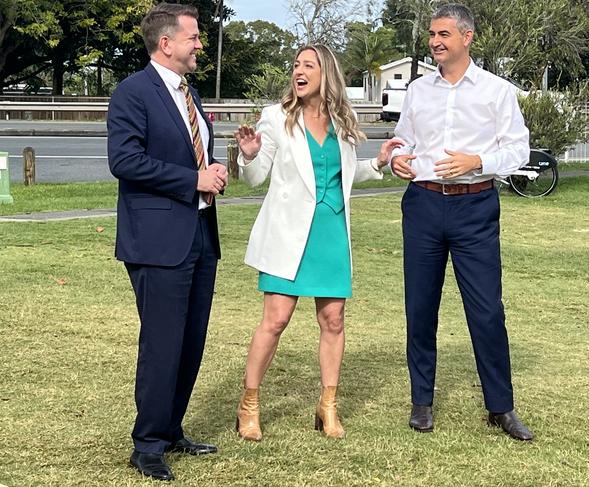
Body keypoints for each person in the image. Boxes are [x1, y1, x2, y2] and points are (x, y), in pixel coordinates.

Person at [233, 44, 403, 441]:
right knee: (274, 321)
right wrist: (249, 156)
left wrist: (376, 164)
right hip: (288, 233)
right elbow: (257, 178)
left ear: (326, 73)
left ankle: (327, 405)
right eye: (295, 65)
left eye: (308, 65)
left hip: (331, 232)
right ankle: (249, 404)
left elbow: (340, 174)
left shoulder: (344, 120)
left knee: (334, 320)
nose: (298, 71)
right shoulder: (275, 118)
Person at [390, 4, 534, 441]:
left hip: (475, 209)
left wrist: (479, 161)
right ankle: (422, 402)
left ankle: (501, 407)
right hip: (424, 205)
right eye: (432, 34)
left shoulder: (496, 91)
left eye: (444, 34)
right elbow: (404, 139)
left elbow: (519, 151)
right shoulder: (418, 90)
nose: (435, 41)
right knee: (420, 306)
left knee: (487, 311)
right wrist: (398, 158)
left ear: (466, 38)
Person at [107, 3, 228, 481]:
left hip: (199, 235)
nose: (200, 45)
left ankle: (172, 428)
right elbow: (125, 161)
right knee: (162, 343)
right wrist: (193, 179)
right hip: (157, 241)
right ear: (166, 43)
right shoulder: (133, 92)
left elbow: (191, 151)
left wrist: (213, 172)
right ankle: (147, 445)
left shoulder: (189, 93)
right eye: (194, 37)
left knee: (190, 341)